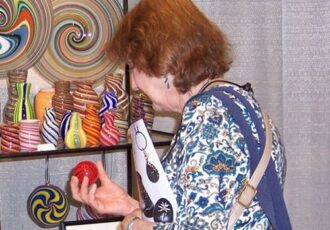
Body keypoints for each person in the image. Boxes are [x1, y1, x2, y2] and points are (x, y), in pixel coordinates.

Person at [70, 0, 291, 229]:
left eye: (134, 66)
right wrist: (128, 205)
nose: (134, 84)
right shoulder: (238, 102)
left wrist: (133, 224)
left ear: (163, 61)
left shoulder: (207, 119)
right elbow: (208, 213)